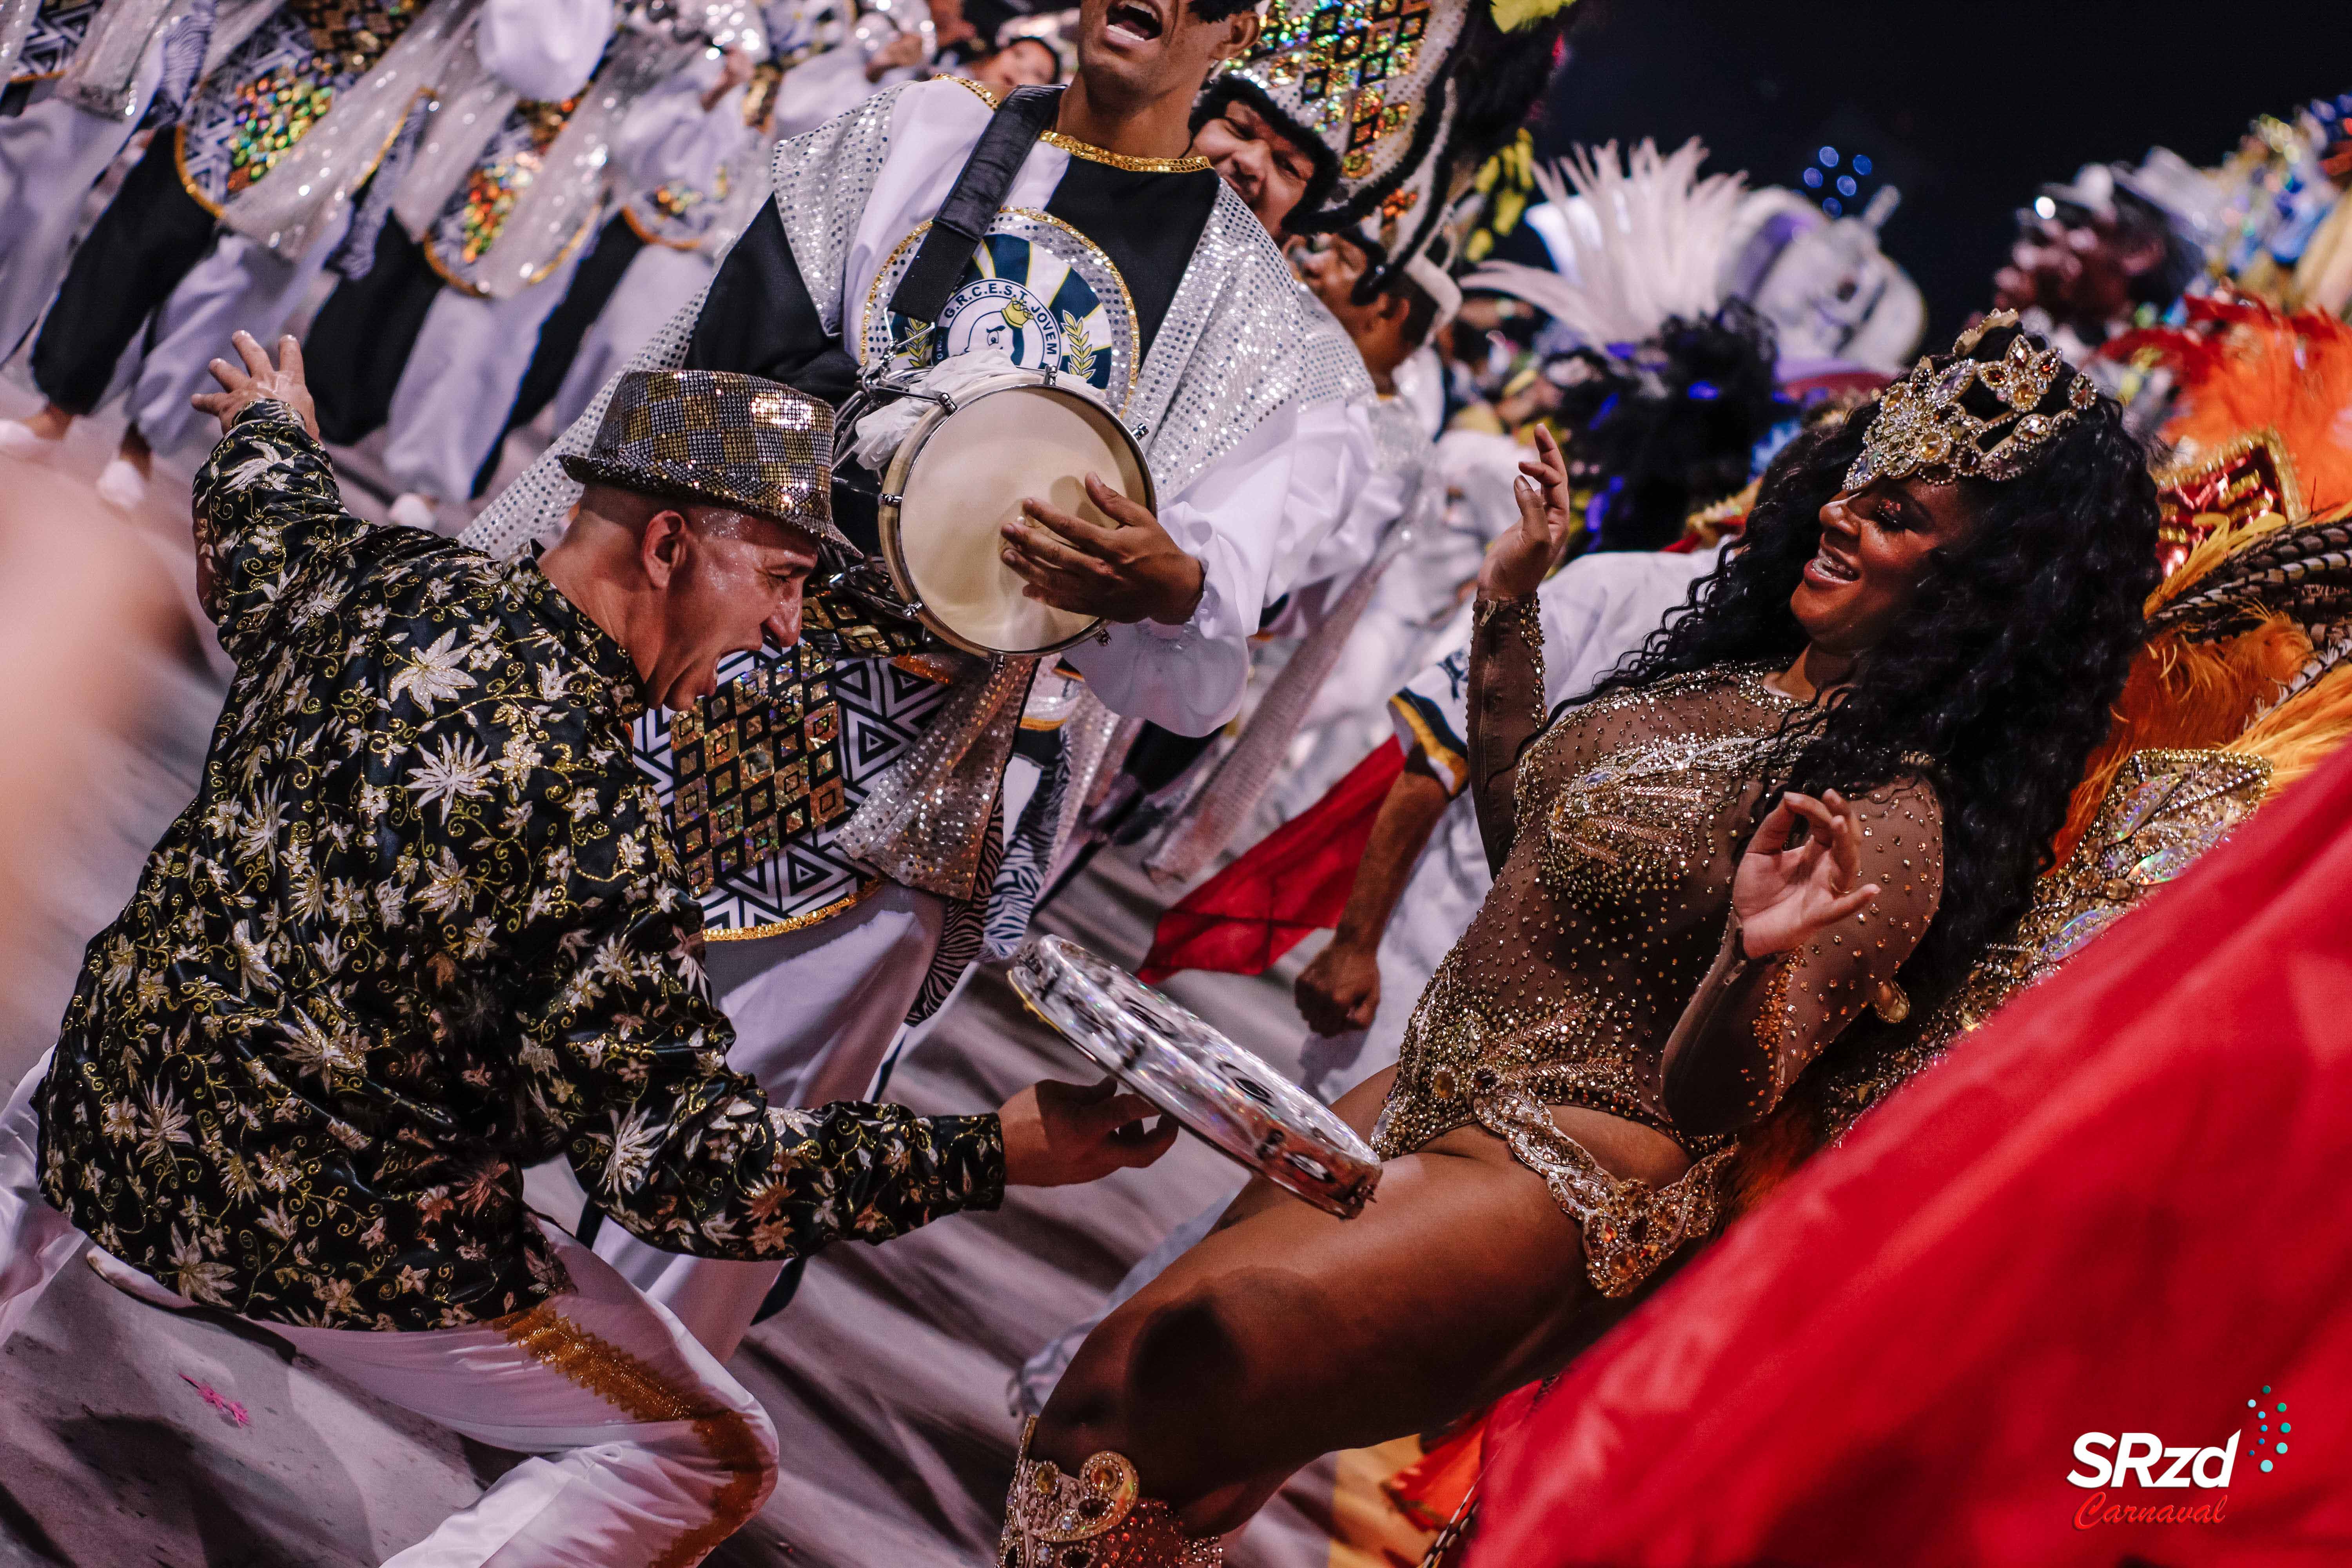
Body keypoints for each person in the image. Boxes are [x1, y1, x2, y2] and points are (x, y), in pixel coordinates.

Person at [1005, 312, 2164, 1563]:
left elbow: (1721, 1104)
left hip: (1557, 1183)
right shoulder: (1735, 677)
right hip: (1428, 1090)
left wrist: (1752, 958)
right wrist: (1511, 615)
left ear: (1977, 596)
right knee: (1177, 1475)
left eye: (1900, 519)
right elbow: (1537, 861)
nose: (1846, 513)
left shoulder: (1888, 817)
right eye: (1861, 481)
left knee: (1127, 1389)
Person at [0, 341, 1174, 1566]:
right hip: (318, 1234)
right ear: (669, 546)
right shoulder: (602, 824)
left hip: (111, 1108)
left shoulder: (382, 579)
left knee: (73, 1090)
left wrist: (271, 421)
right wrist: (993, 1152)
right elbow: (683, 1176)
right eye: (779, 577)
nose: (785, 626)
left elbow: (266, 519)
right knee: (705, 1455)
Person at [455, 0, 1388, 1364]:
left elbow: (1208, 621)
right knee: (447, 1007)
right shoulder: (903, 139)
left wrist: (1171, 580)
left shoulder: (1266, 336)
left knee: (720, 1208)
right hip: (666, 688)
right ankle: (264, 1232)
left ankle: (596, 1486)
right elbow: (714, 372)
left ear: (1235, 23)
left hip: (889, 800)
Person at [0, 0, 613, 510]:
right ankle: (58, 411)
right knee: (142, 241)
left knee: (241, 293)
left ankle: (144, 442)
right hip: (255, 65)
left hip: (350, 119)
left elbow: (547, 66)